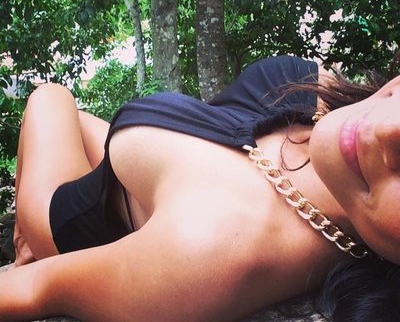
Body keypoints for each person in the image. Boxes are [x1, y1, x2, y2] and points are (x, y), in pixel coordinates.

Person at [1, 54, 399, 322]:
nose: (390, 128)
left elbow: (36, 286)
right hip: (127, 174)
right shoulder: (325, 99)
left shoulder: (215, 248)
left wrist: (27, 226)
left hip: (65, 215)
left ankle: (26, 233)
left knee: (50, 96)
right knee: (74, 118)